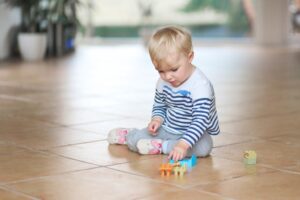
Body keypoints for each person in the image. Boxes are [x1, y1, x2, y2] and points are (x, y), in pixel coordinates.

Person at [107, 25, 220, 161]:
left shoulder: (200, 85)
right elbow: (160, 105)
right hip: (168, 128)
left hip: (194, 133)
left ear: (190, 57)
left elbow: (200, 121)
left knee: (204, 147)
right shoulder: (163, 82)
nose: (167, 77)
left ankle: (161, 146)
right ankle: (129, 135)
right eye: (161, 71)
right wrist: (157, 119)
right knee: (135, 141)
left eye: (174, 69)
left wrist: (183, 144)